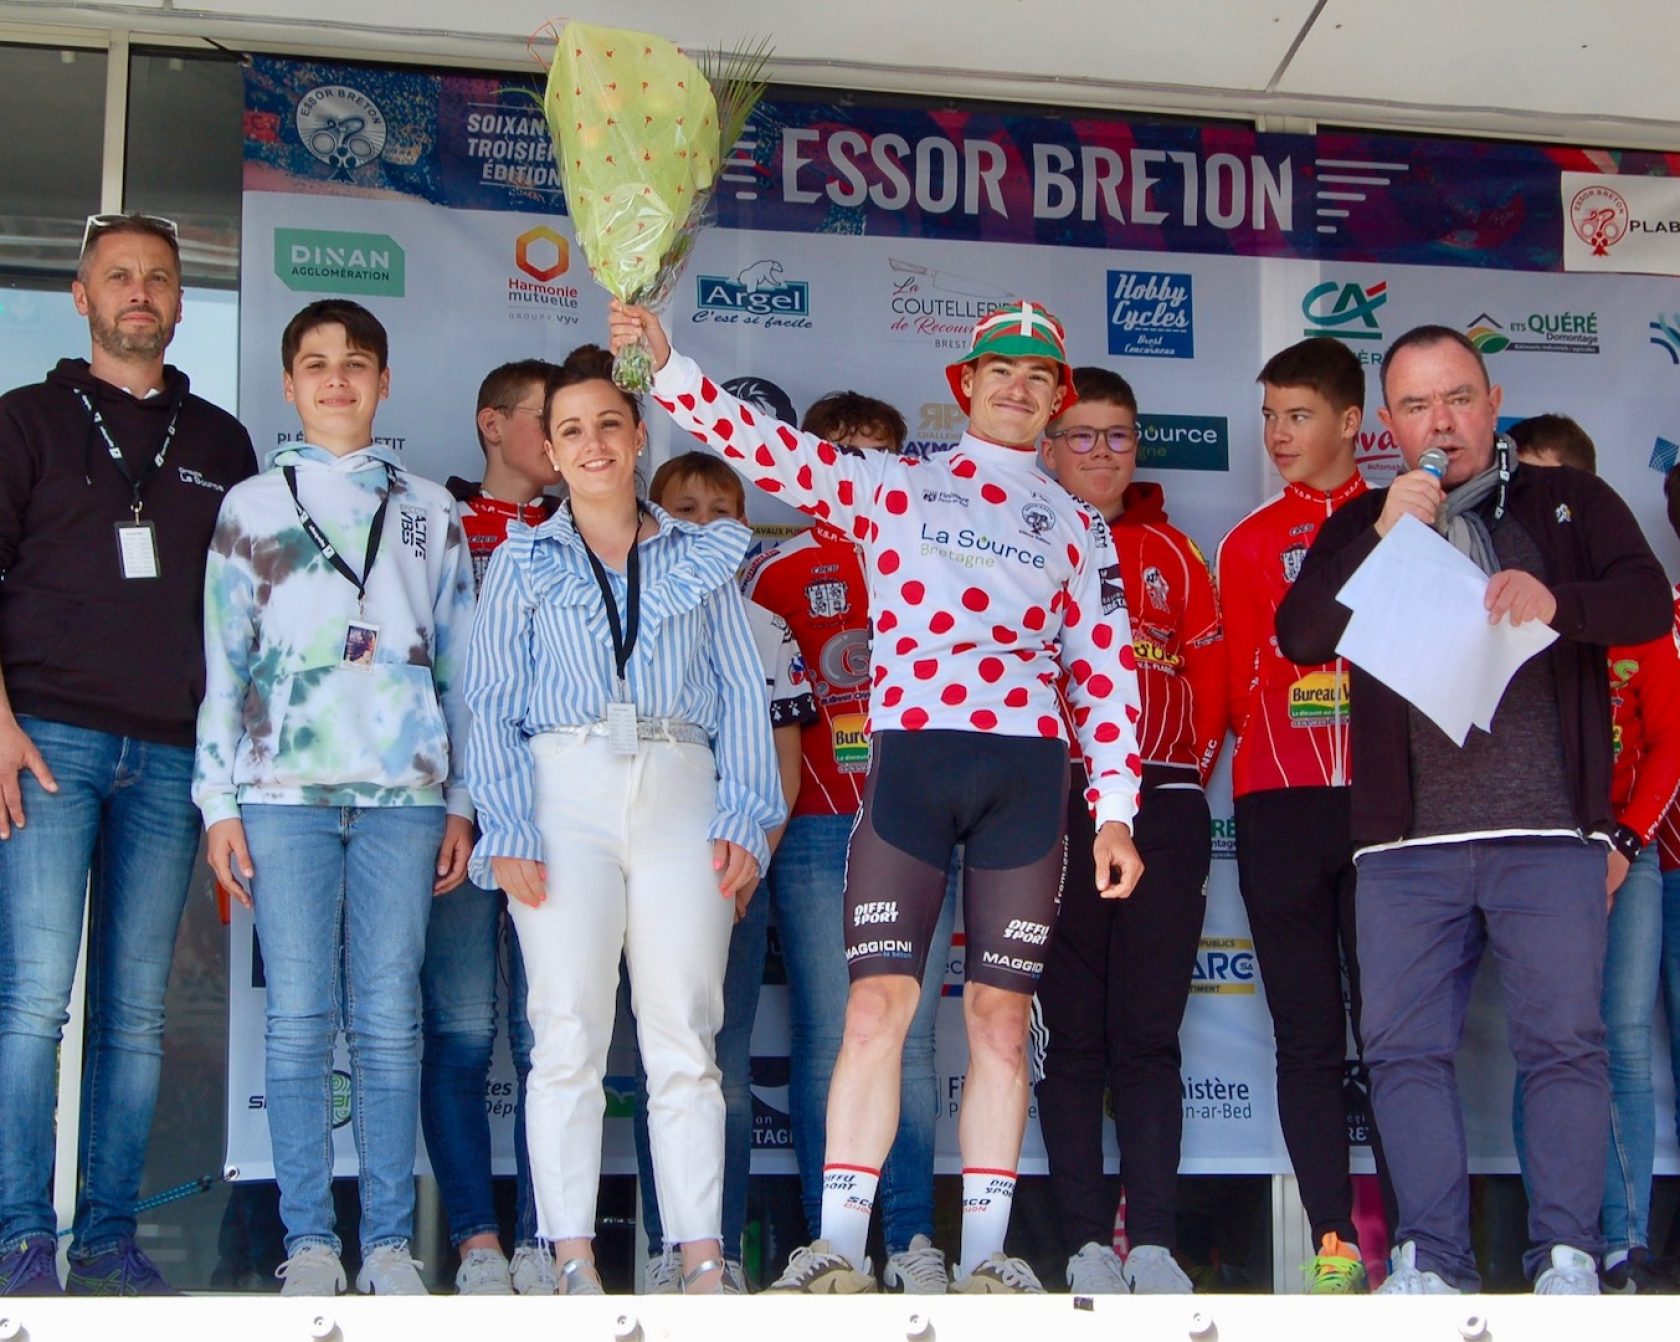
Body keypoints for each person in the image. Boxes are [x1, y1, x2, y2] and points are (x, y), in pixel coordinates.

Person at [609, 297, 1145, 1295]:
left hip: (1028, 775)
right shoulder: (896, 484)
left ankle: (985, 1261)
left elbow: (1106, 669)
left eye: (1037, 377)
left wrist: (1116, 808)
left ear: (1056, 399)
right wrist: (670, 368)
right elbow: (760, 446)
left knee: (999, 1021)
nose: (1017, 388)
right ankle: (839, 1249)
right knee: (874, 1009)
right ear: (965, 385)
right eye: (1000, 371)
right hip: (912, 770)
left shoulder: (1078, 525)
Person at [1275, 324, 1672, 1296]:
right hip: (1405, 848)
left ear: (1494, 405)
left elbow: (1646, 604)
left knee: (1565, 1045)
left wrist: (1557, 599)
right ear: (1391, 425)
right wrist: (1383, 535)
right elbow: (1300, 636)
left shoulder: (1567, 501)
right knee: (1403, 1051)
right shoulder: (1364, 521)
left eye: (1458, 398)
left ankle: (1567, 1256)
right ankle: (1434, 1259)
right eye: (1417, 406)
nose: (1441, 422)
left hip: (1548, 835)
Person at [464, 345, 783, 1297]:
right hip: (562, 791)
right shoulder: (522, 560)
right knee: (564, 1029)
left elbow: (741, 692)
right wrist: (507, 826)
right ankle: (571, 1257)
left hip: (682, 784)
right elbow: (491, 704)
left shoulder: (702, 554)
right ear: (551, 452)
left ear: (640, 436)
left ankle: (700, 1260)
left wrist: (748, 817)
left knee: (684, 1030)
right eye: (571, 430)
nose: (593, 442)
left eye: (609, 423)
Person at [195, 299, 477, 1297]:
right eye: (316, 364)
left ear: (384, 381)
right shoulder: (250, 505)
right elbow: (224, 663)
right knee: (301, 1017)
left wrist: (463, 798)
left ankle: (390, 1245)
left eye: (356, 363)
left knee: (390, 1018)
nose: (337, 379)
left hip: (406, 795)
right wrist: (217, 801)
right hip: (282, 792)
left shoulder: (431, 508)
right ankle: (310, 1241)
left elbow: (462, 669)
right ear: (289, 383)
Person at [0, 212, 257, 1297]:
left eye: (157, 276)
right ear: (82, 296)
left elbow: (247, 620)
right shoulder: (24, 421)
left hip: (169, 756)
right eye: (118, 276)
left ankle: (106, 1240)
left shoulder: (222, 444)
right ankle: (20, 1238)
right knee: (32, 1003)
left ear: (181, 301)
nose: (138, 292)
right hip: (45, 741)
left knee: (135, 1016)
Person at [740, 390, 957, 1294]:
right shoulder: (775, 571)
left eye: (879, 452)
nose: (861, 468)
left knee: (912, 1040)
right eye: (843, 450)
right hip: (818, 824)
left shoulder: (942, 556)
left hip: (919, 821)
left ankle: (910, 1240)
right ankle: (834, 1246)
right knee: (834, 1035)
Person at [1033, 366, 1225, 1294]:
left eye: (1118, 435)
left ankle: (1151, 1243)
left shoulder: (1175, 552)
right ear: (1048, 447)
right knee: (1071, 1038)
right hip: (1051, 802)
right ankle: (1082, 1244)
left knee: (1148, 1036)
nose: (1101, 452)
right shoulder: (1019, 538)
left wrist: (1174, 786)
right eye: (1082, 434)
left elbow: (1213, 688)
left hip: (1164, 800)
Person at [1214, 336, 1394, 1292]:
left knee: (1400, 1032)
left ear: (1351, 421)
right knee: (1308, 1033)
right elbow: (1234, 688)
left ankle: (1421, 1243)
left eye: (1299, 416)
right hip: (1277, 805)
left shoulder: (1405, 521)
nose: (1278, 435)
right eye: (1269, 417)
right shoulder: (1246, 540)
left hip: (1385, 805)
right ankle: (1333, 1241)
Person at [631, 450, 817, 1293]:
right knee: (651, 1064)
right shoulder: (626, 610)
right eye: (685, 509)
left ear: (745, 527)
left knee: (719, 1069)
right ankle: (663, 1251)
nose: (704, 525)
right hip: (632, 867)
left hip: (727, 877)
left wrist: (748, 866)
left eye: (721, 511)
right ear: (653, 520)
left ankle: (719, 1256)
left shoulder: (764, 626)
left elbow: (783, 770)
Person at [1509, 413, 1680, 1294]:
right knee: (1547, 1043)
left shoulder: (1636, 608)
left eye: (1553, 493)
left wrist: (1625, 841)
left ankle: (1625, 1246)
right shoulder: (1498, 603)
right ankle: (1556, 1244)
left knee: (1623, 1044)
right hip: (1535, 851)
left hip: (1627, 852)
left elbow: (1670, 741)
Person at [421, 359, 562, 1296]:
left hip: (562, 815)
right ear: (491, 424)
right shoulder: (433, 519)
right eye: (544, 420)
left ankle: (550, 1241)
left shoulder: (583, 527)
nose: (560, 441)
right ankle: (476, 1242)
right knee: (464, 1032)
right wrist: (455, 799)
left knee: (551, 1037)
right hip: (460, 812)